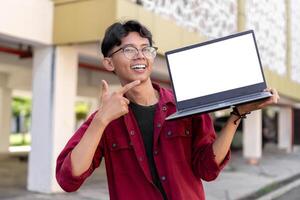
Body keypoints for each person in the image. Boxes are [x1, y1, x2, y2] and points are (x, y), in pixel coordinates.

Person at [56, 20, 279, 200]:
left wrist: (237, 114)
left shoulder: (186, 105)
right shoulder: (105, 118)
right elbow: (68, 179)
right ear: (109, 63)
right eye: (129, 50)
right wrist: (101, 120)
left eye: (146, 49)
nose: (140, 55)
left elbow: (208, 169)